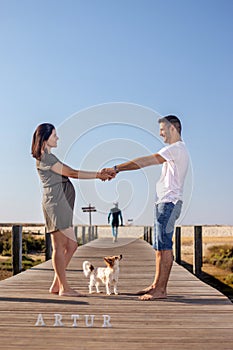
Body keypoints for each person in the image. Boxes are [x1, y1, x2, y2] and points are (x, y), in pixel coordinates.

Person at [103, 115, 189, 300]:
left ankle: (161, 290)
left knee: (164, 247)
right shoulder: (177, 150)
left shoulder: (176, 149)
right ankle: (156, 285)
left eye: (163, 130)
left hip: (169, 203)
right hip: (164, 203)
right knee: (159, 247)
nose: (160, 134)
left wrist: (117, 168)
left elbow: (145, 161)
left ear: (173, 128)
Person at [31, 123, 114, 297]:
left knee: (72, 245)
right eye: (54, 135)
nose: (57, 138)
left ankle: (57, 284)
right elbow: (73, 173)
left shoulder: (50, 158)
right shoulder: (47, 159)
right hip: (56, 206)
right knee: (60, 247)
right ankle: (64, 288)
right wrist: (98, 175)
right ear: (45, 139)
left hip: (62, 205)